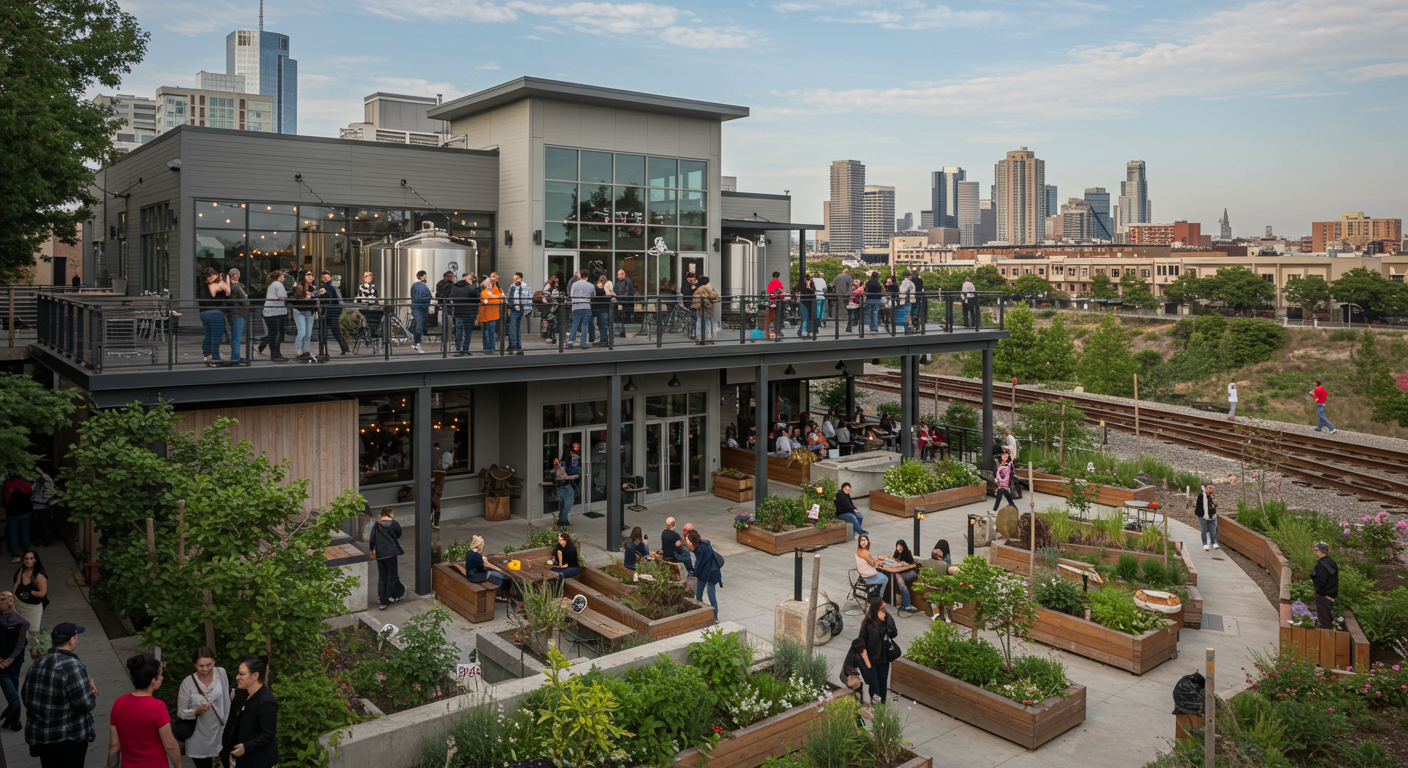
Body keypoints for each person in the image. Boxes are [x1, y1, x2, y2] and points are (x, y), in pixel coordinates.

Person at [22, 622, 97, 768]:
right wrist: (92, 692)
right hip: (69, 738)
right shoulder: (72, 665)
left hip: (43, 737)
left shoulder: (38, 663)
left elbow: (26, 696)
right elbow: (85, 704)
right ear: (72, 639)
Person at [108, 654, 182, 768]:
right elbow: (170, 744)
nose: (162, 677)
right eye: (160, 674)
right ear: (153, 681)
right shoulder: (157, 707)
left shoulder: (118, 703)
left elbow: (114, 744)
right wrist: (179, 766)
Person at [176, 647, 229, 768]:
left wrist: (229, 725)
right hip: (198, 737)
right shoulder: (187, 683)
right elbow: (181, 712)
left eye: (209, 665)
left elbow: (226, 701)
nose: (205, 669)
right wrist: (195, 712)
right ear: (195, 665)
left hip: (220, 732)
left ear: (214, 662)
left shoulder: (221, 673)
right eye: (201, 666)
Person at [222, 657, 278, 768]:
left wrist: (246, 747)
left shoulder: (266, 701)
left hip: (257, 760)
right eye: (238, 673)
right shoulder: (241, 694)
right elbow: (233, 723)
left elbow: (268, 733)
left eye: (242, 674)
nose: (237, 677)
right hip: (239, 758)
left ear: (255, 675)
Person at [857, 535, 914, 611]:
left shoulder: (907, 553)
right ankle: (880, 598)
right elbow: (894, 560)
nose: (899, 548)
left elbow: (911, 564)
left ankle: (906, 604)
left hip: (907, 572)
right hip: (895, 572)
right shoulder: (896, 553)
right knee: (888, 577)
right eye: (898, 547)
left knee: (899, 582)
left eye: (900, 547)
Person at [857, 598, 897, 703]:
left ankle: (881, 705)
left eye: (885, 608)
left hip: (883, 659)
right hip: (871, 660)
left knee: (882, 684)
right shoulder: (868, 624)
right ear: (875, 610)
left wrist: (887, 619)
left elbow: (893, 633)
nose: (884, 611)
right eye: (881, 609)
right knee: (874, 685)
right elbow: (861, 640)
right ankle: (875, 705)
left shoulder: (886, 620)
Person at [0, 591, 29, 731]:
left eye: (1, 600)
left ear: (9, 602)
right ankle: (5, 717)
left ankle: (12, 721)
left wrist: (10, 660)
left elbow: (20, 644)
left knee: (14, 695)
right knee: (15, 699)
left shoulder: (20, 623)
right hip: (1, 667)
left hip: (13, 665)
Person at [369, 507, 405, 610]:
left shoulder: (377, 524)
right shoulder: (394, 523)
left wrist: (372, 550)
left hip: (380, 554)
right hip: (391, 553)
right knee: (392, 576)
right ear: (390, 513)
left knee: (382, 576)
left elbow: (372, 538)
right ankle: (386, 599)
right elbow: (399, 533)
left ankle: (382, 598)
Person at [685, 530, 721, 619]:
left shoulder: (701, 551)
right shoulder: (703, 545)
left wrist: (692, 573)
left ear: (692, 542)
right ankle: (702, 613)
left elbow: (698, 567)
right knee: (699, 595)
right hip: (705, 574)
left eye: (687, 540)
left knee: (710, 595)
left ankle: (714, 616)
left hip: (710, 575)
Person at [198, 267, 230, 367]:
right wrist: (226, 280)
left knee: (209, 334)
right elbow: (228, 291)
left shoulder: (202, 286)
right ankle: (215, 358)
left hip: (203, 312)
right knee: (217, 336)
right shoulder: (216, 284)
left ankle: (207, 355)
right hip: (215, 312)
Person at [13, 551, 46, 644]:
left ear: (35, 560)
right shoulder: (21, 571)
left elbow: (42, 593)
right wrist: (11, 597)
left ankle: (35, 652)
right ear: (23, 561)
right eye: (26, 558)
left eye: (31, 558)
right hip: (18, 604)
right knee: (17, 629)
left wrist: (31, 592)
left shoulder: (39, 576)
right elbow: (16, 584)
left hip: (32, 608)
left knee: (33, 633)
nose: (29, 561)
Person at [316, 271, 350, 355]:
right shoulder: (327, 287)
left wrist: (322, 293)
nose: (325, 279)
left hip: (330, 312)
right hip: (330, 312)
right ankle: (344, 348)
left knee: (324, 332)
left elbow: (329, 297)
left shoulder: (329, 287)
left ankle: (323, 351)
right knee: (333, 331)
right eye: (324, 277)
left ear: (330, 278)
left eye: (327, 277)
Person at [258, 271, 289, 362]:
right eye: (281, 276)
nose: (283, 278)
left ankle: (273, 350)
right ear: (278, 277)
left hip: (270, 311)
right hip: (276, 312)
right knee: (277, 333)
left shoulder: (271, 285)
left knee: (273, 333)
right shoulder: (278, 284)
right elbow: (283, 296)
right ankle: (275, 353)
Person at [288, 271, 319, 362]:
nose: (310, 276)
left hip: (310, 311)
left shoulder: (312, 287)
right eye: (308, 274)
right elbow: (298, 298)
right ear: (303, 276)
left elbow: (314, 297)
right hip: (299, 311)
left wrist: (316, 294)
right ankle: (299, 351)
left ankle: (306, 351)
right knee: (302, 332)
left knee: (308, 333)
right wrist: (307, 296)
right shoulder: (299, 287)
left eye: (311, 274)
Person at [224, 267, 250, 364]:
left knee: (235, 337)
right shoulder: (234, 286)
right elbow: (243, 299)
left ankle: (236, 356)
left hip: (234, 313)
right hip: (237, 313)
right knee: (236, 337)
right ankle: (235, 358)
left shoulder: (230, 286)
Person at [448, 271, 478, 356]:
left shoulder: (455, 286)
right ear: (466, 279)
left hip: (458, 312)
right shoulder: (469, 287)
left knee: (459, 331)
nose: (471, 281)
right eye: (471, 280)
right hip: (468, 312)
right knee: (467, 331)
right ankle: (465, 349)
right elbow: (476, 297)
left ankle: (458, 349)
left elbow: (451, 296)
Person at [3, 477, 32, 561]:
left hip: (12, 514)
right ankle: (26, 551)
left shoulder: (8, 485)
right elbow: (30, 494)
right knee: (25, 532)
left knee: (13, 534)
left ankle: (15, 553)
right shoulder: (25, 485)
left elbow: (4, 499)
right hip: (25, 512)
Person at [1312, 542, 1339, 629]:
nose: (1315, 553)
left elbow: (1321, 580)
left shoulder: (1321, 564)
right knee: (1327, 616)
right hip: (1331, 595)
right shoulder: (1332, 562)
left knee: (1324, 620)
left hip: (1323, 595)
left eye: (1316, 551)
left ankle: (1327, 639)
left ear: (1319, 551)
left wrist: (1318, 591)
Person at [569, 269, 596, 350]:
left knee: (575, 324)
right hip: (586, 306)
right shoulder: (591, 285)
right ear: (587, 277)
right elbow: (593, 295)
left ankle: (570, 341)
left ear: (580, 276)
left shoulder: (574, 284)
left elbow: (571, 295)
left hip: (576, 306)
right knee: (585, 325)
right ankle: (583, 343)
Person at [506, 272, 531, 354]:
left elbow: (527, 298)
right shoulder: (512, 287)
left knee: (514, 328)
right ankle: (516, 345)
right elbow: (509, 296)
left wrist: (527, 310)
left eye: (516, 278)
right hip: (514, 309)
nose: (515, 280)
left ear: (520, 278)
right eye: (514, 278)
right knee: (514, 328)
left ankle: (514, 345)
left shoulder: (524, 287)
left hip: (519, 309)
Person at [410, 270, 432, 352]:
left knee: (419, 325)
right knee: (419, 325)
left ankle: (416, 342)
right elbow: (422, 297)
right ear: (423, 277)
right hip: (420, 308)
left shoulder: (416, 285)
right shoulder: (420, 286)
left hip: (418, 307)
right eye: (425, 276)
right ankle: (417, 343)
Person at [552, 456, 579, 526]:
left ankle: (563, 520)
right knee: (567, 505)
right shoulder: (560, 468)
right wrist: (573, 477)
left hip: (561, 487)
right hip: (565, 487)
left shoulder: (557, 469)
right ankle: (563, 521)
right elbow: (560, 477)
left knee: (563, 505)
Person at [693, 276, 719, 344]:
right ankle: (707, 338)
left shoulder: (699, 289)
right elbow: (715, 297)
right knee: (707, 323)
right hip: (707, 309)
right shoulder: (708, 288)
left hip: (700, 308)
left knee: (700, 322)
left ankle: (700, 338)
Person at [355, 271, 382, 336]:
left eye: (370, 276)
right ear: (364, 278)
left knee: (379, 314)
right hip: (365, 307)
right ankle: (371, 331)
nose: (369, 278)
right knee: (369, 316)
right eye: (367, 276)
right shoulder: (361, 287)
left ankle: (375, 331)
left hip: (373, 307)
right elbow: (362, 297)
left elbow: (376, 297)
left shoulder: (373, 287)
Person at [841, 636, 867, 701]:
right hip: (848, 673)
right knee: (856, 684)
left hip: (847, 673)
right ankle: (857, 699)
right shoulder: (852, 662)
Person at [1194, 483, 1218, 551]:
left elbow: (1213, 506)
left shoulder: (1213, 495)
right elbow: (1202, 505)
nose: (1210, 490)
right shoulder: (1202, 496)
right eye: (1208, 488)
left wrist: (1215, 504)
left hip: (1212, 515)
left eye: (1211, 488)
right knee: (1204, 529)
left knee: (1213, 529)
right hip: (1203, 515)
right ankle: (1205, 543)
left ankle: (1213, 542)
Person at [614, 268, 636, 337]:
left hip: (626, 304)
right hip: (620, 303)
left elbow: (626, 294)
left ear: (624, 274)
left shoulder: (627, 282)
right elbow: (615, 292)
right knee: (620, 318)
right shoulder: (617, 282)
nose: (619, 276)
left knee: (626, 318)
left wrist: (620, 303)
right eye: (618, 275)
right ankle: (622, 332)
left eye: (620, 274)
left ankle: (625, 332)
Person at [765, 271, 785, 340]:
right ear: (778, 276)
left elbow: (769, 292)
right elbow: (781, 291)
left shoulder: (770, 283)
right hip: (778, 301)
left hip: (772, 301)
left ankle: (770, 333)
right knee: (778, 317)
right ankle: (777, 332)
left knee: (770, 318)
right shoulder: (778, 283)